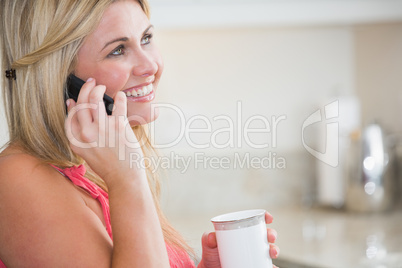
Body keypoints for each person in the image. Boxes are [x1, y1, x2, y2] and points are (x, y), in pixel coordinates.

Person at [0, 0, 280, 267]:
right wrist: (127, 178)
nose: (150, 67)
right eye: (118, 50)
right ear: (61, 79)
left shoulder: (97, 167)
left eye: (146, 38)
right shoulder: (18, 179)